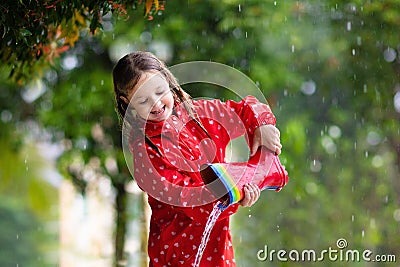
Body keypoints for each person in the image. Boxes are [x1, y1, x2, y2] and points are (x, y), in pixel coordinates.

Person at [112, 51, 283, 267]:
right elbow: (189, 199)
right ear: (127, 102)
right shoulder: (146, 152)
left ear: (168, 80)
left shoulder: (200, 115)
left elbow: (244, 109)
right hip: (175, 256)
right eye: (143, 100)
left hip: (218, 250)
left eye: (159, 91)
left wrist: (262, 124)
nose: (156, 103)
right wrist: (234, 192)